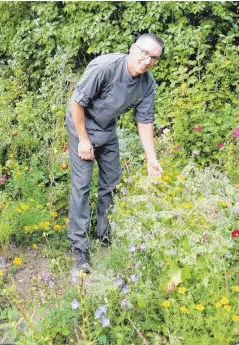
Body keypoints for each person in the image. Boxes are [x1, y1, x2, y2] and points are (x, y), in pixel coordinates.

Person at [65, 33, 164, 273]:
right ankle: (79, 246)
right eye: (145, 53)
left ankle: (104, 233)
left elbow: (145, 121)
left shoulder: (147, 83)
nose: (148, 60)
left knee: (111, 182)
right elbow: (76, 103)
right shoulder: (105, 67)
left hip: (107, 129)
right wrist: (84, 141)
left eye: (155, 58)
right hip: (83, 125)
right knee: (82, 184)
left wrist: (152, 159)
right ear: (133, 49)